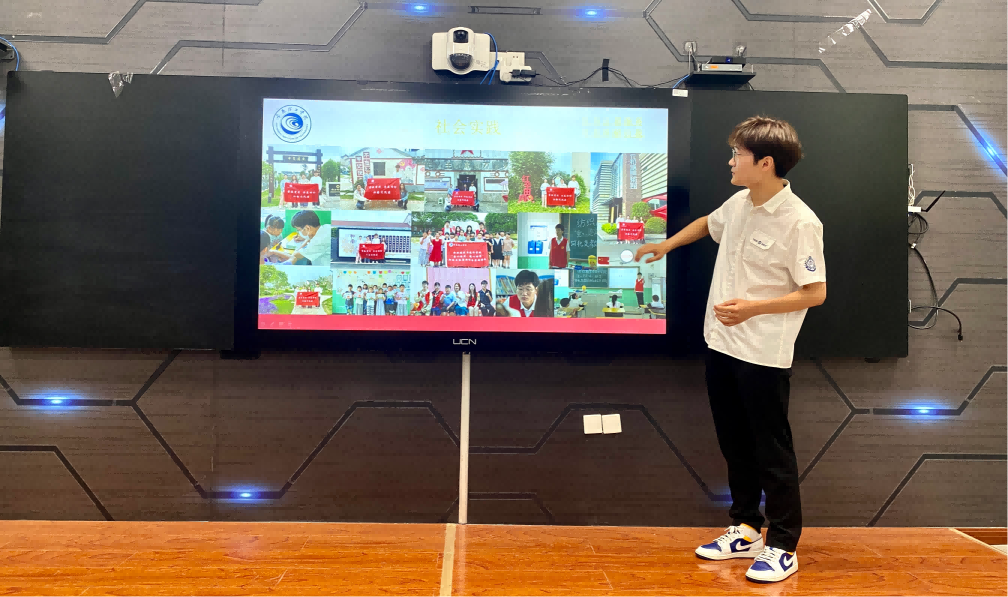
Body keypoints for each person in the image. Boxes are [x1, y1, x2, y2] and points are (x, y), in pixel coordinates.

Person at [635, 116, 826, 584]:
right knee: (734, 443)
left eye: (738, 154)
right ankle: (746, 528)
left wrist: (753, 308)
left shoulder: (800, 221)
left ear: (765, 163)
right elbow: (708, 223)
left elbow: (815, 292)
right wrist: (666, 245)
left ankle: (783, 545)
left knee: (771, 449)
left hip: (762, 352)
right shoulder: (740, 202)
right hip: (721, 343)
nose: (730, 161)